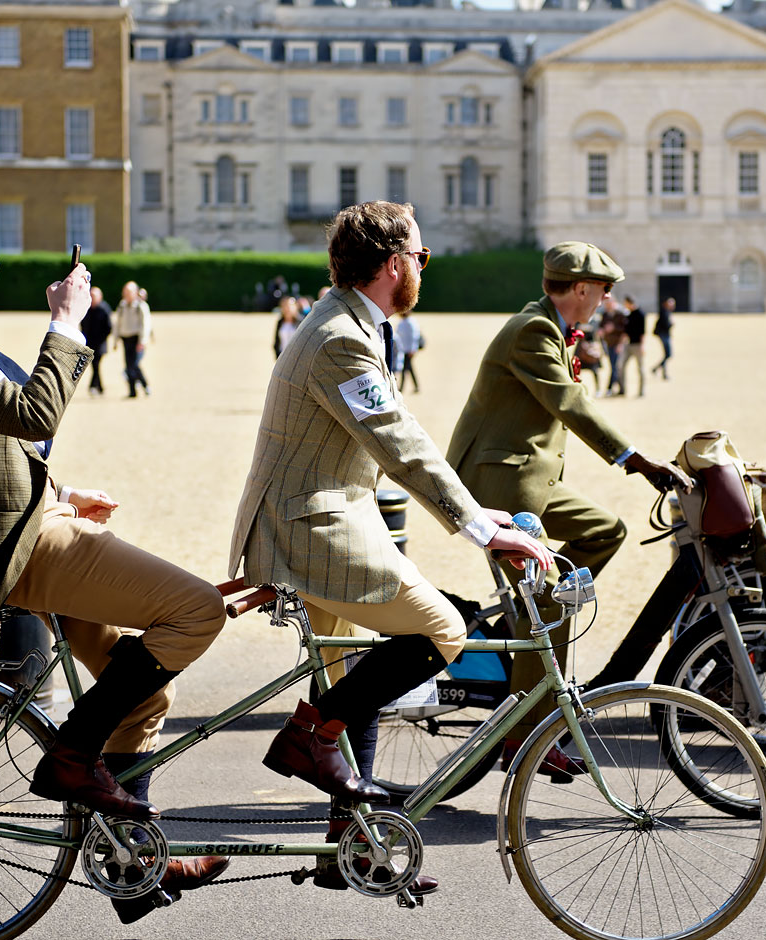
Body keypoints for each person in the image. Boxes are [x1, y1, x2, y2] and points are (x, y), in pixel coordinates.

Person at [0, 187, 229, 921]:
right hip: (18, 548)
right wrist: (65, 323)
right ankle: (70, 756)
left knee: (145, 695)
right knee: (197, 608)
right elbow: (34, 413)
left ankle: (130, 865)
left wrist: (60, 491)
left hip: (32, 524)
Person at [227, 200, 550, 892]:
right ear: (396, 264)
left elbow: (394, 435)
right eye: (422, 258)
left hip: (327, 517)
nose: (424, 271)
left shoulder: (348, 322)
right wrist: (478, 527)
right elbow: (398, 442)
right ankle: (309, 738)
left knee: (351, 682)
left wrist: (476, 511)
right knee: (443, 628)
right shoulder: (340, 337)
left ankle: (352, 846)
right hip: (311, 527)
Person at [447, 241, 693, 772]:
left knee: (607, 531)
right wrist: (635, 459)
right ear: (580, 288)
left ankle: (534, 624)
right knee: (550, 604)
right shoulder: (533, 330)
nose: (607, 300)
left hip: (528, 480)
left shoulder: (548, 326)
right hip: (500, 485)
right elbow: (569, 402)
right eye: (603, 290)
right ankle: (523, 738)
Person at [113, 281, 151, 397]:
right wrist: (115, 339)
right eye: (125, 292)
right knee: (128, 366)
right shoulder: (122, 305)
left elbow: (145, 324)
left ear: (135, 293)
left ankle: (145, 385)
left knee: (134, 365)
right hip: (126, 339)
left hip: (136, 339)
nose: (126, 294)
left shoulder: (141, 306)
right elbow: (118, 323)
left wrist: (142, 341)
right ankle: (132, 391)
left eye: (129, 292)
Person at [81, 286, 112, 395]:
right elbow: (83, 325)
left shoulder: (104, 309)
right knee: (95, 365)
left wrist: (101, 339)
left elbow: (109, 327)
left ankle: (93, 386)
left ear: (100, 297)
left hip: (100, 344)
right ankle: (99, 387)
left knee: (96, 365)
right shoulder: (86, 309)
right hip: (89, 343)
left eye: (94, 296)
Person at [598, 294, 628, 396]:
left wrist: (614, 328)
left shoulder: (620, 315)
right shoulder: (605, 315)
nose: (607, 305)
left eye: (609, 303)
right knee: (613, 366)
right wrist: (602, 331)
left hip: (618, 344)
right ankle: (621, 389)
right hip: (608, 344)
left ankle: (610, 388)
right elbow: (601, 326)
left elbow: (625, 330)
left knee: (615, 367)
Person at [621, 294, 646, 396]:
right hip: (628, 344)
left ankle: (641, 391)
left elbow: (642, 332)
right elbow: (626, 331)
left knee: (640, 368)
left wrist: (642, 345)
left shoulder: (640, 314)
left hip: (637, 345)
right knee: (621, 366)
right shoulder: (628, 315)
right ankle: (622, 389)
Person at [395, 310, 422, 393]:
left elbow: (414, 337)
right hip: (403, 349)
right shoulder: (402, 322)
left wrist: (413, 349)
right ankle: (416, 386)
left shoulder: (411, 322)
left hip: (409, 350)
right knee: (409, 368)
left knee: (404, 369)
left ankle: (401, 388)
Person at [650, 297, 674, 379]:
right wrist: (671, 324)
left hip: (665, 335)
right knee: (668, 354)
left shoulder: (667, 311)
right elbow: (665, 324)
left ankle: (661, 372)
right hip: (664, 335)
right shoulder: (664, 312)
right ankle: (657, 370)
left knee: (667, 355)